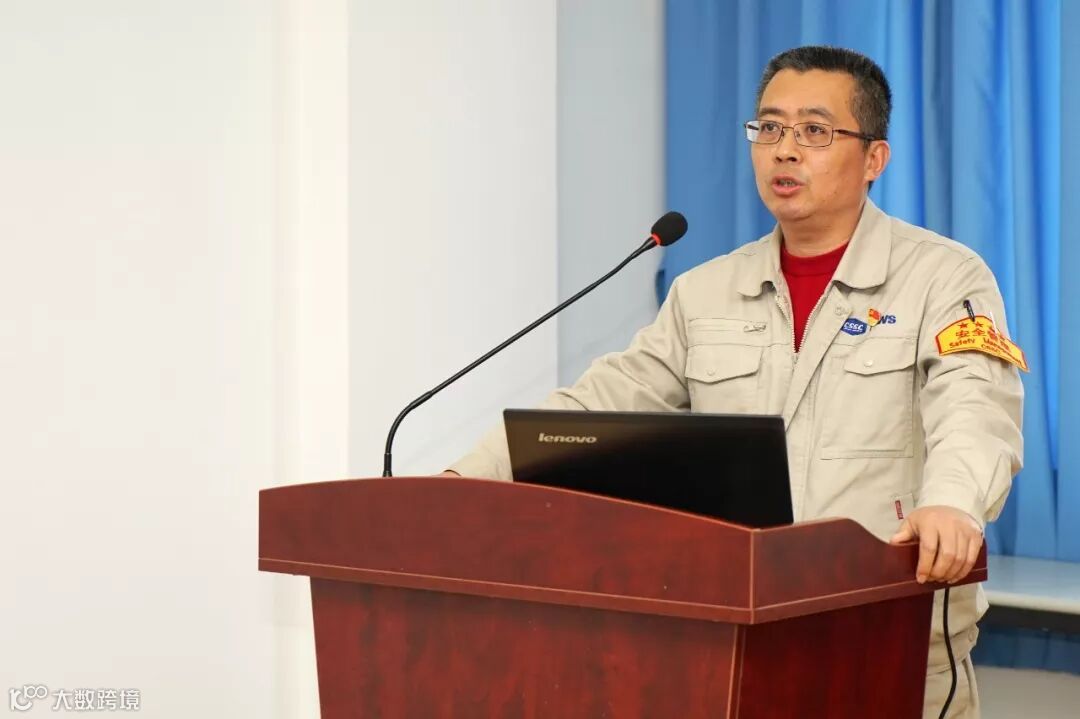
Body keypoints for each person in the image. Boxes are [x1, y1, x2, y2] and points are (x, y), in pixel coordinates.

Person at [444, 46, 1024, 718]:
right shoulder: (707, 292)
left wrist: (953, 503)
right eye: (769, 127)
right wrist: (466, 483)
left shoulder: (943, 278)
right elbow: (600, 402)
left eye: (814, 130)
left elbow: (975, 406)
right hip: (734, 645)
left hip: (886, 640)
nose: (784, 149)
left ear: (875, 159)